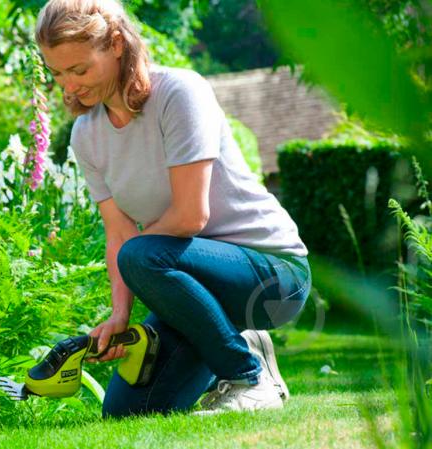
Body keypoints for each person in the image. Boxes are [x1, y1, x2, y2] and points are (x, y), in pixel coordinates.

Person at [34, 0, 312, 417]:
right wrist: (120, 315)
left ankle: (248, 376)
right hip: (192, 284)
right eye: (57, 73)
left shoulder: (179, 93)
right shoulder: (86, 136)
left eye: (79, 70)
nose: (68, 88)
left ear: (114, 45)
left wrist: (142, 267)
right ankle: (241, 342)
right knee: (128, 412)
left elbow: (188, 218)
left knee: (142, 254)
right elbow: (119, 234)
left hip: (272, 276)